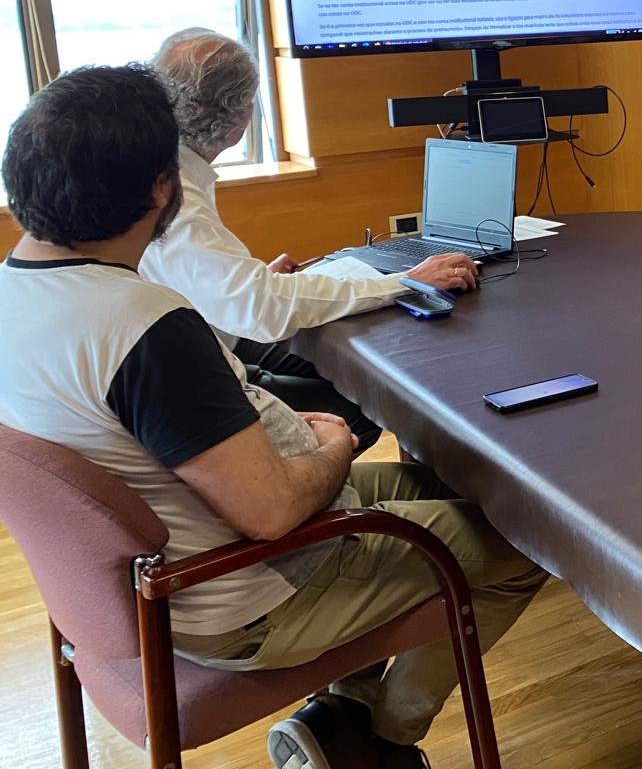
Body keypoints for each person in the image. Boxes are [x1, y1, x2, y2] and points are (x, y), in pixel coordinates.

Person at [0, 65, 546, 768]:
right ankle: (379, 738)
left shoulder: (20, 293)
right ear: (162, 188)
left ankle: (338, 719)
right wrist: (335, 447)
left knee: (485, 501)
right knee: (525, 547)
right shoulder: (140, 327)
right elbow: (273, 512)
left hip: (161, 570)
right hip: (249, 591)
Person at [141, 28, 478, 451]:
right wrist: (405, 282)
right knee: (366, 409)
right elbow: (262, 312)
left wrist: (248, 281)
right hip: (209, 378)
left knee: (337, 365)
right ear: (239, 117)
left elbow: (215, 288)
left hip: (212, 344)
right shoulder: (177, 202)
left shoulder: (167, 172)